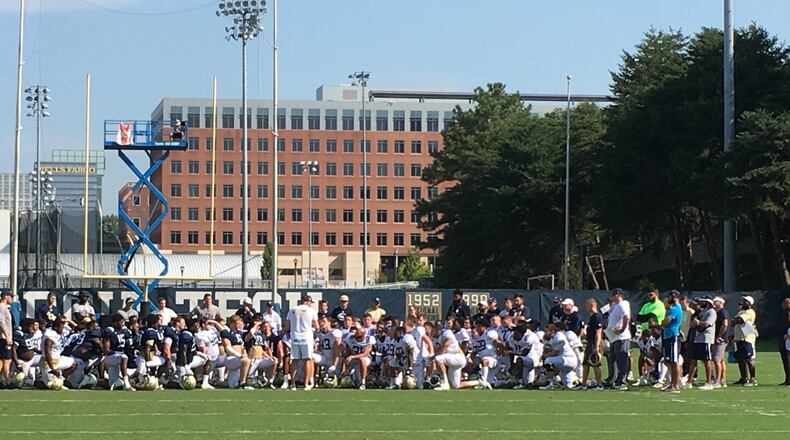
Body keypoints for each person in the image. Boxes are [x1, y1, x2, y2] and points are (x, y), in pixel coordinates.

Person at [283, 295, 319, 390]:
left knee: (294, 360)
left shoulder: (292, 310)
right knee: (307, 360)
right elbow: (317, 326)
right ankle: (306, 384)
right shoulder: (312, 311)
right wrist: (313, 328)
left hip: (294, 336)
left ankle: (293, 383)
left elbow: (287, 326)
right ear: (308, 301)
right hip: (306, 336)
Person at [604, 288, 631, 390]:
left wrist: (622, 328)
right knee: (613, 359)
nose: (612, 297)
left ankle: (622, 381)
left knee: (621, 359)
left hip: (621, 337)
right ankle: (613, 379)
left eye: (614, 295)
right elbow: (607, 314)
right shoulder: (614, 305)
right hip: (613, 337)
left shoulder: (623, 304)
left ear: (619, 295)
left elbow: (626, 316)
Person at [688, 297, 716, 390]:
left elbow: (708, 324)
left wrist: (698, 322)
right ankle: (689, 382)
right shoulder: (702, 312)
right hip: (697, 338)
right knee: (693, 360)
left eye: (703, 301)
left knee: (707, 360)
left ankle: (709, 382)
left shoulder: (712, 312)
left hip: (706, 339)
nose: (701, 303)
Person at [101, 312, 134, 391]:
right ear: (115, 322)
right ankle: (126, 383)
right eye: (121, 321)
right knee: (124, 357)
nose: (123, 323)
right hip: (110, 357)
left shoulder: (125, 331)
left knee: (112, 384)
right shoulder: (110, 330)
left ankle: (93, 381)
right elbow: (106, 350)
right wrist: (117, 353)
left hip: (117, 358)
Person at [731, 295, 758, 386]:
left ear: (749, 303)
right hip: (738, 338)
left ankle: (753, 378)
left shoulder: (750, 312)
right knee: (740, 359)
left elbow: (739, 320)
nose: (742, 302)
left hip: (747, 338)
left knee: (749, 359)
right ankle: (743, 378)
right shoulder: (741, 312)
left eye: (745, 301)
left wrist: (736, 320)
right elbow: (733, 322)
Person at [661, 290, 683, 393]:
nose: (667, 299)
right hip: (668, 337)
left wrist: (662, 322)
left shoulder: (675, 309)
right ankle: (673, 382)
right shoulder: (671, 309)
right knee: (668, 361)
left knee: (674, 362)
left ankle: (675, 385)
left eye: (669, 297)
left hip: (672, 337)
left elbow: (666, 322)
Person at [580, 298, 603, 390]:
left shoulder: (597, 317)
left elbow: (598, 332)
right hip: (590, 343)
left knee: (595, 364)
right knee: (585, 364)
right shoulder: (592, 317)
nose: (586, 307)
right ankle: (584, 384)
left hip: (594, 343)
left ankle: (599, 384)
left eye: (587, 305)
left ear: (592, 305)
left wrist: (597, 346)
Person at [712, 296, 730, 388]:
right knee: (721, 359)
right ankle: (722, 380)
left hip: (720, 339)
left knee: (716, 359)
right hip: (718, 338)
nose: (714, 303)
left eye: (716, 301)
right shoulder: (716, 312)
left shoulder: (723, 312)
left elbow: (725, 324)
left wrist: (719, 335)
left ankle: (718, 380)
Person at [0, 289, 14, 387]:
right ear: (6, 296)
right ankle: (7, 380)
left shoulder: (5, 307)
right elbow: (1, 322)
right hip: (4, 337)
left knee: (4, 359)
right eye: (11, 296)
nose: (12, 298)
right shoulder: (1, 307)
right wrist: (7, 335)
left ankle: (4, 380)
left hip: (5, 337)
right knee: (6, 359)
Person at [781, 298, 790, 386]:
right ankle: (788, 378)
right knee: (786, 360)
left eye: (787, 303)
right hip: (783, 340)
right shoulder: (783, 314)